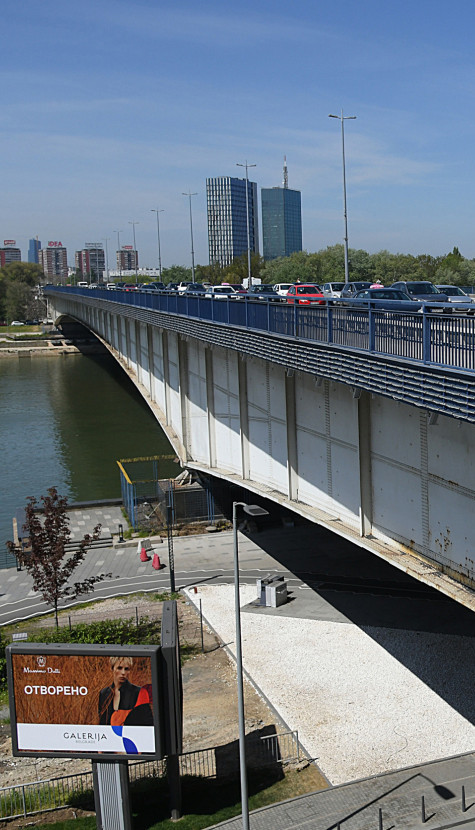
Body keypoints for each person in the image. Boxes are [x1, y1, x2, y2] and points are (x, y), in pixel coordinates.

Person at [98, 656, 153, 726]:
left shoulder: (139, 692)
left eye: (126, 669)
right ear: (112, 668)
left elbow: (147, 723)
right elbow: (102, 723)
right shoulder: (104, 693)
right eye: (119, 668)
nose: (123, 672)